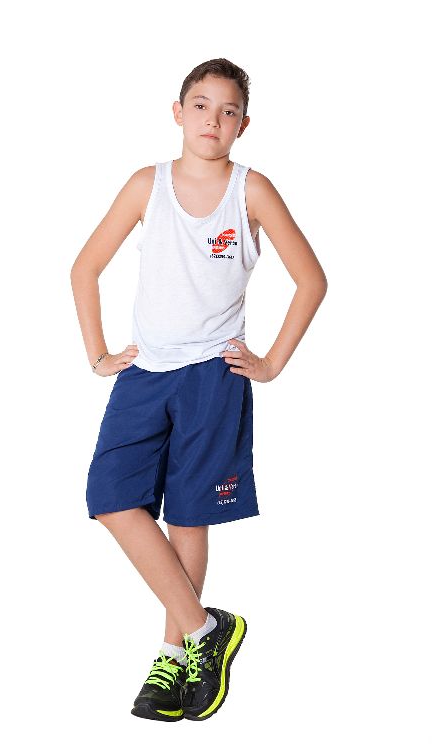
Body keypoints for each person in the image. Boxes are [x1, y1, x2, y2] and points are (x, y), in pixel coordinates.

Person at [70, 57, 328, 722]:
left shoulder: (251, 191)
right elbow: (85, 267)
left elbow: (312, 280)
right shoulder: (146, 184)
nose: (213, 119)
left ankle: (174, 657)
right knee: (111, 498)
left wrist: (270, 363)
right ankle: (205, 630)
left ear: (244, 124)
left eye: (228, 110)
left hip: (213, 377)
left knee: (186, 516)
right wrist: (99, 354)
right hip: (144, 375)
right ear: (178, 112)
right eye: (201, 105)